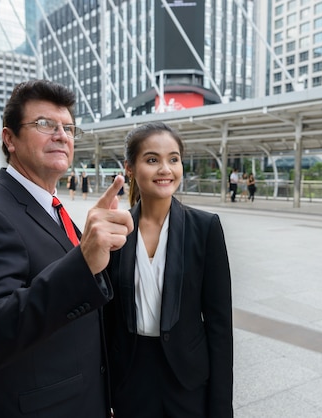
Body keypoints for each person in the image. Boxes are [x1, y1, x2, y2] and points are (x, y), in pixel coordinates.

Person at [0, 79, 134, 417]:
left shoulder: (54, 210)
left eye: (69, 128)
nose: (61, 135)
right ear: (10, 139)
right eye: (45, 124)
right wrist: (83, 262)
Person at [104, 122, 233, 418]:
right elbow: (106, 320)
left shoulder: (205, 228)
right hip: (130, 379)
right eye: (152, 160)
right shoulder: (115, 230)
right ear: (130, 168)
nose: (165, 169)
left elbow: (219, 324)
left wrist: (221, 407)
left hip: (187, 380)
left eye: (173, 159)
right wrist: (105, 390)